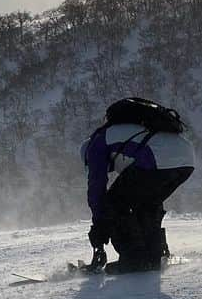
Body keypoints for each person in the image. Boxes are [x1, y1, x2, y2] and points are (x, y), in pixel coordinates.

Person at [80, 97, 195, 274]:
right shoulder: (125, 135)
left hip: (157, 157)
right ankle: (154, 255)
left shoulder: (97, 144)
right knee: (147, 203)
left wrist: (99, 226)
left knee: (113, 203)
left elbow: (97, 190)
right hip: (186, 160)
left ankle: (134, 259)